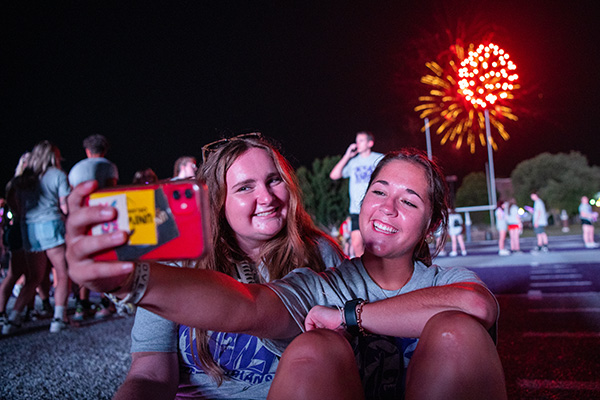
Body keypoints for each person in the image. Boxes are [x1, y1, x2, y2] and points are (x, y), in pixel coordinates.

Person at [66, 148, 506, 399]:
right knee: (315, 346)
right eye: (379, 191)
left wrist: (350, 317)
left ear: (431, 225)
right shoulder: (325, 283)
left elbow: (474, 303)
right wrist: (132, 280)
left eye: (410, 201)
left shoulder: (323, 257)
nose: (388, 208)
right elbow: (248, 306)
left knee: (457, 332)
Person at [76, 134, 344, 398]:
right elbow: (150, 375)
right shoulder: (179, 262)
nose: (266, 197)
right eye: (245, 187)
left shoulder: (320, 253)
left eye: (274, 180)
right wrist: (122, 278)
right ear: (219, 201)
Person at [6, 141, 71, 333]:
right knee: (62, 273)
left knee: (33, 277)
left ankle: (12, 320)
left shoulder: (24, 179)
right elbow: (66, 206)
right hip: (52, 225)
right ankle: (59, 319)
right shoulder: (57, 175)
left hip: (30, 230)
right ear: (53, 157)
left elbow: (15, 206)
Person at [68, 134, 120, 320]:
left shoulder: (76, 169)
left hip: (81, 219)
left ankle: (82, 306)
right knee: (104, 260)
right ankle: (105, 303)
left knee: (84, 260)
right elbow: (111, 191)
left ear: (87, 151)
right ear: (104, 150)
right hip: (102, 218)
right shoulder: (108, 166)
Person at [330, 131, 384, 257]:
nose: (357, 143)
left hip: (375, 208)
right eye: (357, 140)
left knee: (376, 243)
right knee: (356, 243)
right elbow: (334, 175)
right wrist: (347, 156)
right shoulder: (353, 162)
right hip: (356, 209)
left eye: (361, 140)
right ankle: (363, 273)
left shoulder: (379, 158)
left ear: (370, 143)